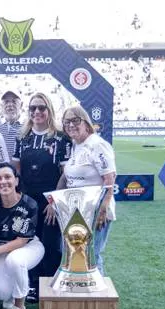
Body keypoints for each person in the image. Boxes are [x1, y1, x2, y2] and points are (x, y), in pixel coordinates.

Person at [12, 93, 71, 301]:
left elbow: (65, 174)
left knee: (50, 243)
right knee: (27, 242)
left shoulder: (61, 138)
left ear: (49, 110)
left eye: (42, 107)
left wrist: (54, 202)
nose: (37, 112)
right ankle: (32, 286)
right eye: (33, 108)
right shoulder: (22, 138)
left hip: (50, 201)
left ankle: (49, 285)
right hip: (28, 202)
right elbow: (17, 171)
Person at [0, 163, 45, 309]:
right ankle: (12, 293)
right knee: (1, 293)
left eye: (7, 177)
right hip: (1, 248)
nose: (3, 182)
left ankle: (20, 308)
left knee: (15, 260)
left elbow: (22, 241)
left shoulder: (29, 204)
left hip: (28, 246)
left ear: (16, 180)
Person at [59, 105, 116, 275]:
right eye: (67, 122)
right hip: (77, 211)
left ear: (86, 122)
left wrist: (103, 208)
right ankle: (81, 296)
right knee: (78, 257)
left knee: (92, 256)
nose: (71, 125)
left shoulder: (97, 144)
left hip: (96, 210)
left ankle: (99, 299)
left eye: (75, 120)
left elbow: (109, 178)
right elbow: (68, 176)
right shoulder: (76, 145)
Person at [0, 90, 22, 159]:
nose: (10, 105)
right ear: (1, 105)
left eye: (14, 101)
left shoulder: (28, 126)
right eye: (6, 102)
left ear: (21, 105)